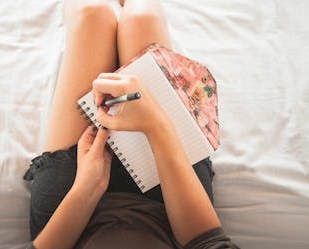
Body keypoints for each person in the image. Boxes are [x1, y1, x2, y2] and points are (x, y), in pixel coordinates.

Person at [23, 0, 240, 248]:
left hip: (71, 206)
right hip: (172, 205)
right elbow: (209, 240)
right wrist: (155, 124)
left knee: (91, 14)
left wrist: (87, 187)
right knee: (142, 17)